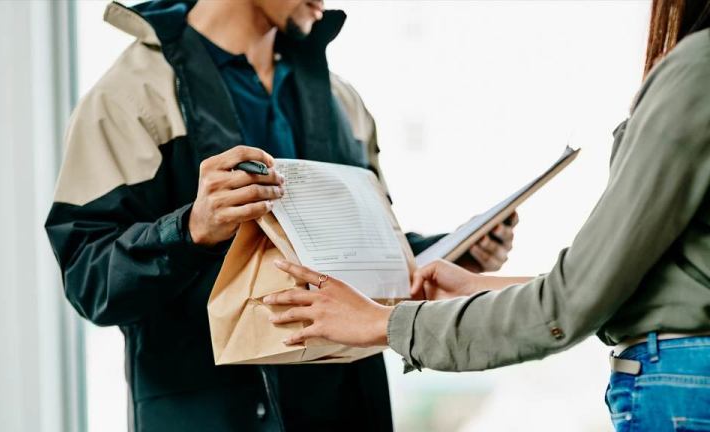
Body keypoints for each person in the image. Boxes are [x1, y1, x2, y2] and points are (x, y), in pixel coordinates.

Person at [45, 0, 516, 430]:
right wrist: (192, 230)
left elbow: (365, 253)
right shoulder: (131, 99)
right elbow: (90, 280)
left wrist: (452, 253)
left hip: (349, 410)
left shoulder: (340, 100)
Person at [263, 1, 710, 430]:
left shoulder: (696, 69)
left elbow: (573, 302)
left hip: (682, 390)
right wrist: (481, 289)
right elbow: (639, 286)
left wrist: (382, 322)